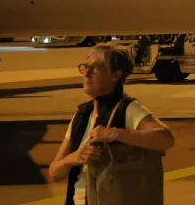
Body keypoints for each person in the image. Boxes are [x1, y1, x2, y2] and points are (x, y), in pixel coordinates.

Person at [49, 43, 175, 205]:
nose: (86, 74)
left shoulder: (128, 109)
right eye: (85, 67)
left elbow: (166, 138)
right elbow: (54, 173)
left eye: (95, 68)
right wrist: (73, 158)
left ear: (115, 75)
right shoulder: (81, 115)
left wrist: (114, 133)